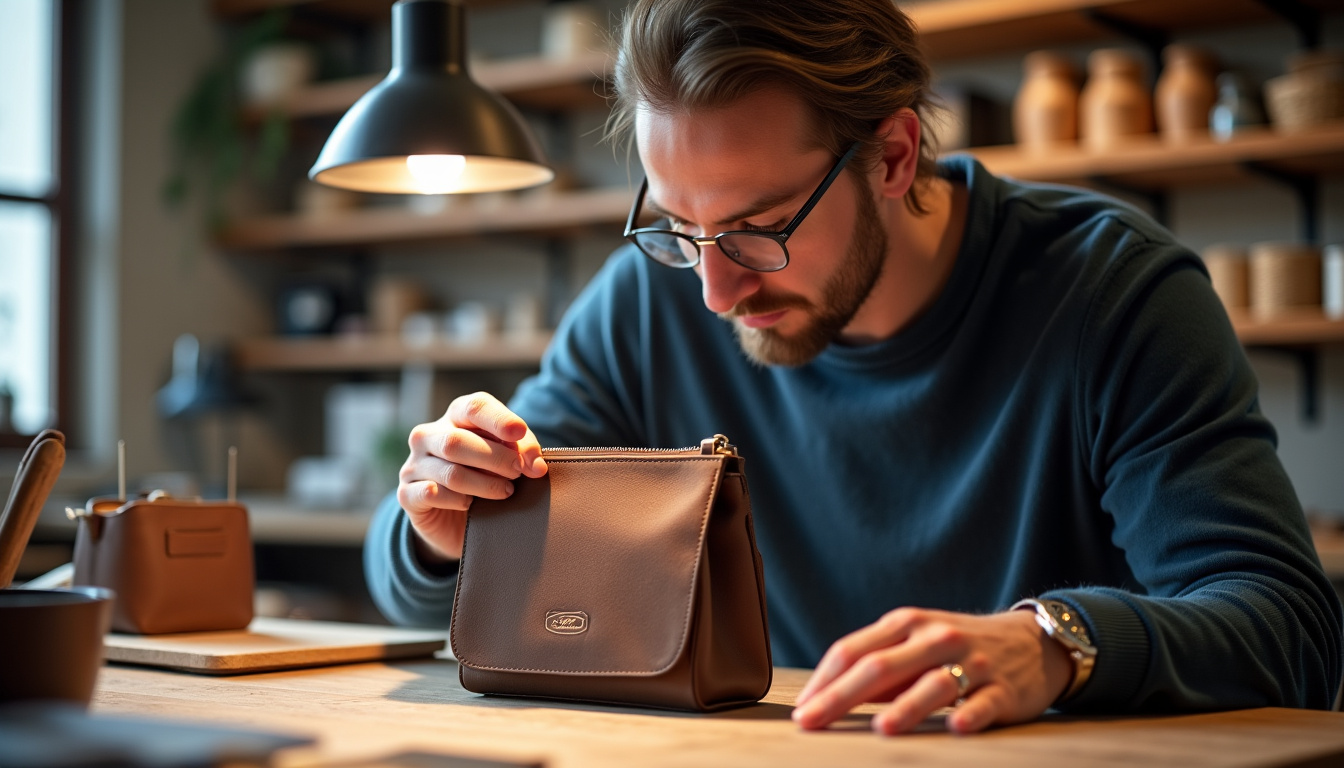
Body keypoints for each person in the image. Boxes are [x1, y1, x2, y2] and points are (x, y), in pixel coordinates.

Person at [364, 0, 1343, 734]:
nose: (713, 291)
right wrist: (447, 524)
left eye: (756, 230)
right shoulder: (647, 304)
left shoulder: (1110, 292)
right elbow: (405, 581)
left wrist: (1058, 643)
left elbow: (1291, 630)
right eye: (677, 227)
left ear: (892, 157)